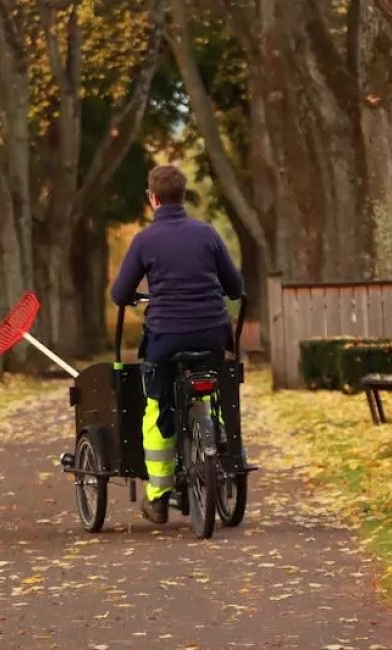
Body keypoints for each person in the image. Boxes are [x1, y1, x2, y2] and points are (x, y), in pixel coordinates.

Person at [110, 164, 244, 524]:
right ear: (183, 196)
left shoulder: (144, 240)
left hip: (167, 337)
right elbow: (235, 286)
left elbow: (120, 293)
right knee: (208, 389)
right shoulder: (208, 234)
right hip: (212, 333)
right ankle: (213, 435)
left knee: (157, 405)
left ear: (153, 199)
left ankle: (158, 496)